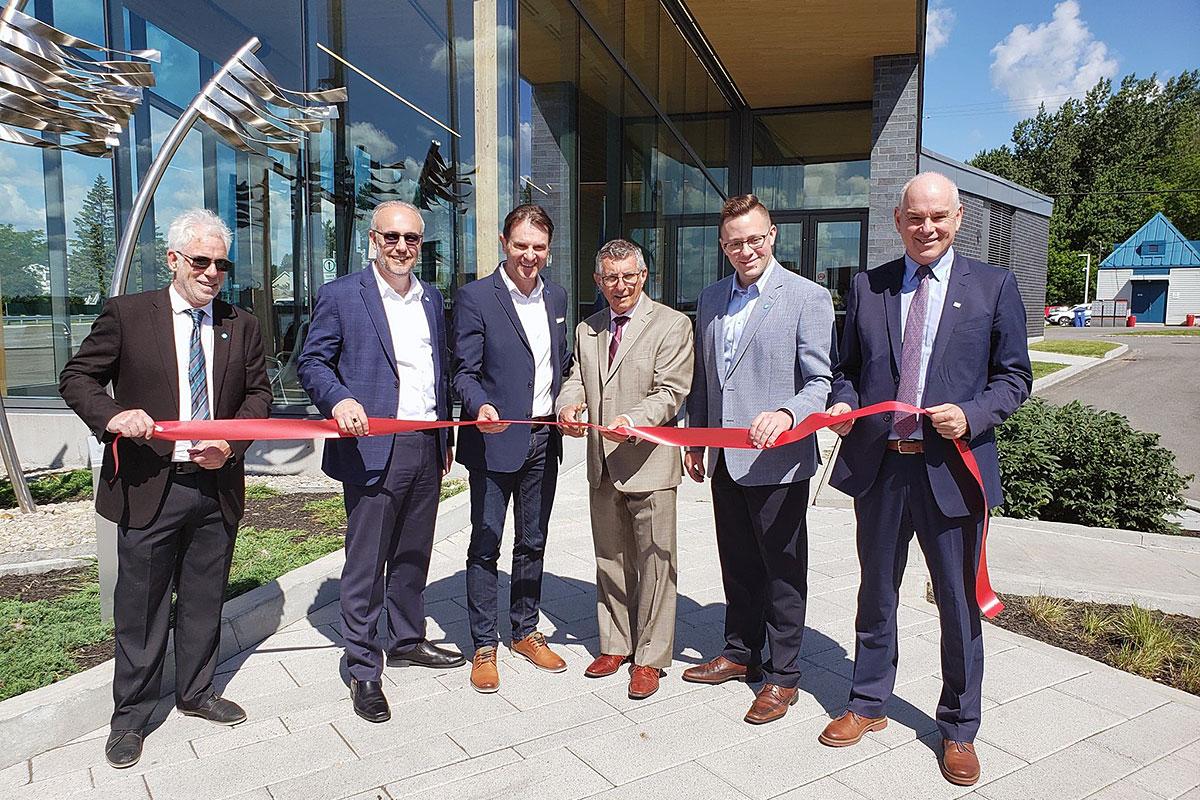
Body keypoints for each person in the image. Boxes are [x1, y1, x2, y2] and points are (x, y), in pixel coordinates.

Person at [820, 172, 1031, 786]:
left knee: (959, 606)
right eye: (916, 217)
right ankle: (867, 702)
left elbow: (1014, 378)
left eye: (939, 216)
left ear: (959, 217)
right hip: (882, 469)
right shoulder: (867, 285)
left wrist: (972, 415)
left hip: (952, 474)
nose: (927, 228)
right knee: (876, 592)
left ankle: (959, 726)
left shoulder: (993, 287)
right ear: (898, 220)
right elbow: (846, 369)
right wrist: (840, 402)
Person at [59, 209, 272, 769]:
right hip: (150, 484)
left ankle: (197, 691)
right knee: (143, 607)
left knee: (204, 599)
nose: (212, 274)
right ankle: (130, 717)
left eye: (221, 264)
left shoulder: (241, 324)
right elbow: (77, 377)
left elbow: (257, 398)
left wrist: (232, 447)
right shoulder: (129, 316)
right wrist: (112, 415)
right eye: (200, 261)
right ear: (174, 259)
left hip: (215, 484)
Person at [297, 200, 463, 725]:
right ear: (373, 239)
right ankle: (364, 667)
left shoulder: (432, 299)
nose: (401, 247)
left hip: (424, 444)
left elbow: (438, 371)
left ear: (421, 244)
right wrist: (339, 399)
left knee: (413, 553)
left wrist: (446, 434)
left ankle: (408, 638)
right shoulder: (341, 295)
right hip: (370, 447)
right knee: (367, 563)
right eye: (391, 237)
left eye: (411, 239)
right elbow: (313, 362)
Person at [682, 194, 834, 724]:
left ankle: (784, 675)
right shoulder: (709, 299)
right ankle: (742, 652)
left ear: (772, 237)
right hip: (725, 458)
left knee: (783, 570)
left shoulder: (807, 297)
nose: (745, 249)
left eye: (754, 238)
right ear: (723, 247)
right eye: (734, 242)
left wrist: (789, 414)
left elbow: (820, 381)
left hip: (778, 460)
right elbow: (706, 378)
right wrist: (696, 441)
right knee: (738, 563)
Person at [557, 239, 693, 700]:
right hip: (602, 463)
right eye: (611, 278)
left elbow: (671, 390)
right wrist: (569, 404)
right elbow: (576, 376)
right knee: (610, 561)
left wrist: (636, 421)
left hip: (649, 463)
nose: (620, 286)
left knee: (656, 564)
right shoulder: (587, 329)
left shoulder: (672, 324)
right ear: (598, 281)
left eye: (629, 276)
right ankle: (615, 644)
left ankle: (650, 658)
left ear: (644, 275)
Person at [452, 204, 572, 693]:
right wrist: (479, 405)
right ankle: (484, 643)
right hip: (494, 437)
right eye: (520, 245)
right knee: (486, 540)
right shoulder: (476, 297)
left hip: (545, 436)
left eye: (538, 247)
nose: (529, 255)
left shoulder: (558, 297)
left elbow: (561, 365)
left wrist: (572, 406)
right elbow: (462, 371)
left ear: (549, 250)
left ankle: (524, 629)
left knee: (534, 539)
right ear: (505, 243)